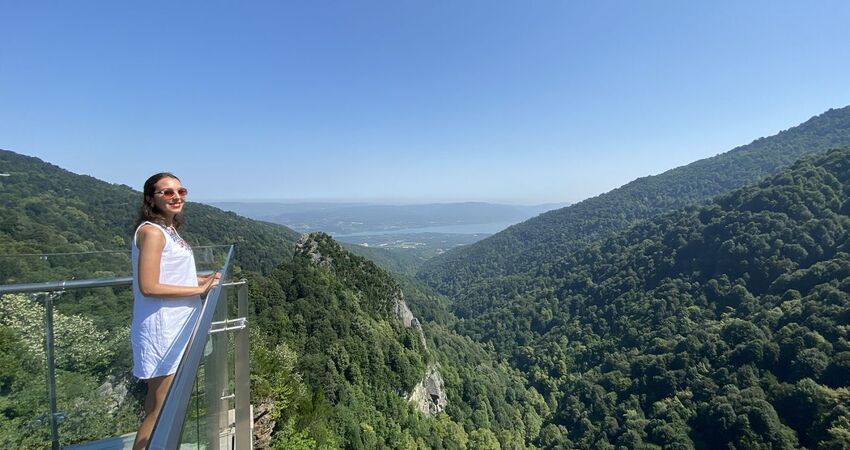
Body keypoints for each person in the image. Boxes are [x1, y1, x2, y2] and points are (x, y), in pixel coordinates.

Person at [130, 172, 220, 450]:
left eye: (180, 191)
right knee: (160, 409)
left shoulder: (168, 230)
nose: (176, 197)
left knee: (157, 404)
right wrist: (199, 290)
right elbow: (149, 286)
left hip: (176, 326)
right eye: (167, 192)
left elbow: (171, 278)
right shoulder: (152, 232)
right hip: (163, 330)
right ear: (151, 198)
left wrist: (201, 280)